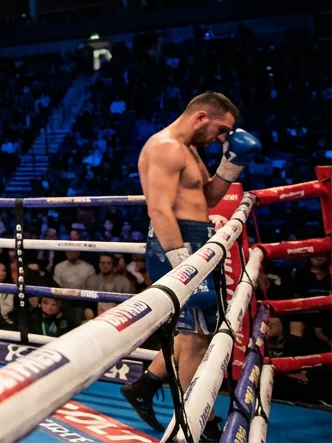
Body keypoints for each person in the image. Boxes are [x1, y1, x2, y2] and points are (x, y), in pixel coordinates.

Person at [121, 92, 261, 434]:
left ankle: (144, 387)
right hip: (176, 243)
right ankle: (195, 421)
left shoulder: (191, 151)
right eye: (221, 130)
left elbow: (208, 197)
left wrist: (231, 162)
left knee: (193, 331)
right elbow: (159, 210)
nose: (222, 138)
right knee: (199, 338)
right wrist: (185, 268)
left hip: (196, 240)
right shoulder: (166, 147)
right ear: (201, 117)